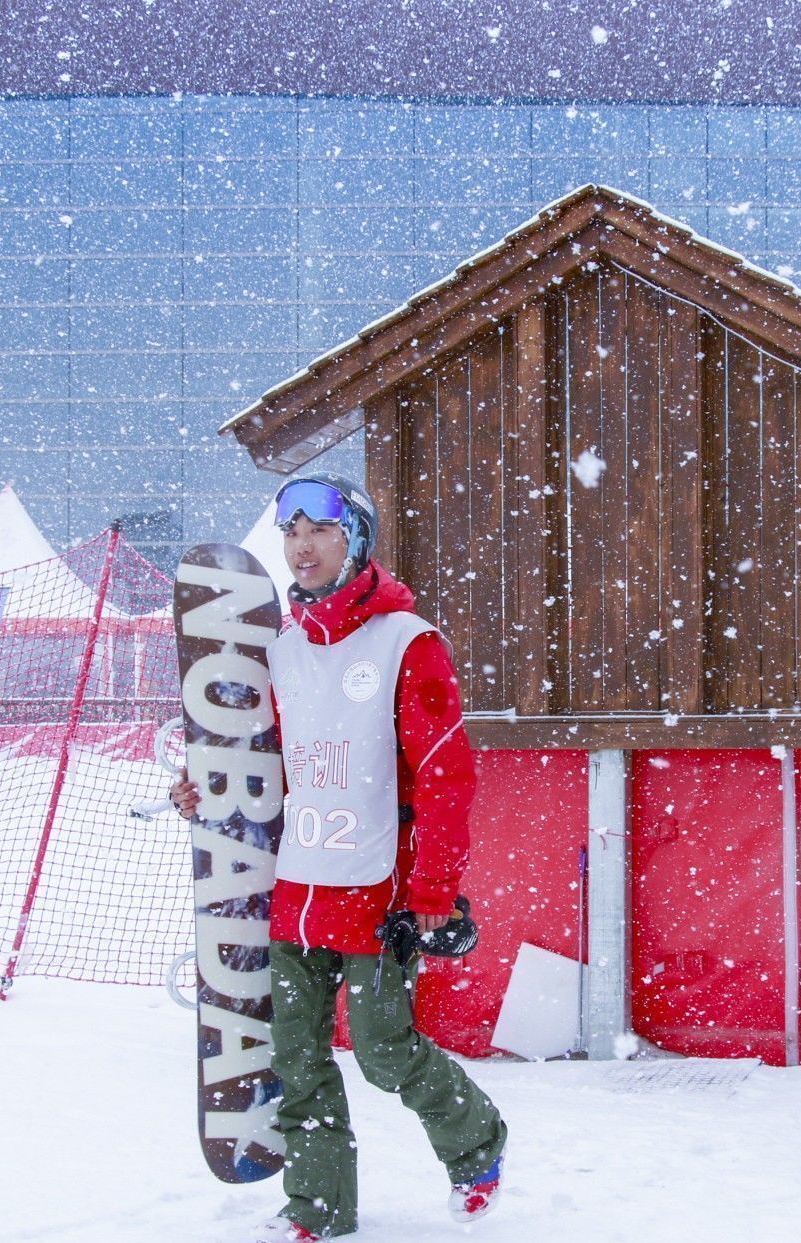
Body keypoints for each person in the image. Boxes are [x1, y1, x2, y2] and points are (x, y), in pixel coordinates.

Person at [171, 471, 508, 1242]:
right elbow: (273, 764)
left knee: (387, 1052)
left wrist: (435, 890)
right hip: (299, 886)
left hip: (378, 889)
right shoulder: (283, 650)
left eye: (319, 530)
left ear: (354, 540)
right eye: (290, 532)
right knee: (296, 1054)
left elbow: (447, 773)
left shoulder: (407, 642)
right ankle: (318, 1207)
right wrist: (209, 790)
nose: (301, 545)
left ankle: (477, 1145)